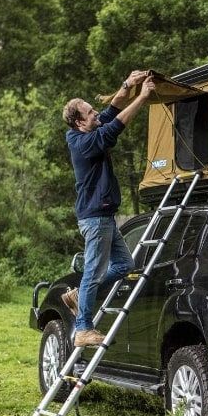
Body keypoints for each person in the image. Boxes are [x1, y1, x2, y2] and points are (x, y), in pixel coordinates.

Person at [61, 70, 155, 347]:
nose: (95, 115)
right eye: (90, 113)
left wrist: (127, 85)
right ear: (79, 122)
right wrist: (143, 98)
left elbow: (112, 111)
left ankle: (79, 295)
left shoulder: (88, 130)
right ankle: (83, 329)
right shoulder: (85, 142)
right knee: (93, 271)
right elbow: (116, 125)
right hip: (96, 218)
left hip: (104, 217)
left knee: (125, 265)